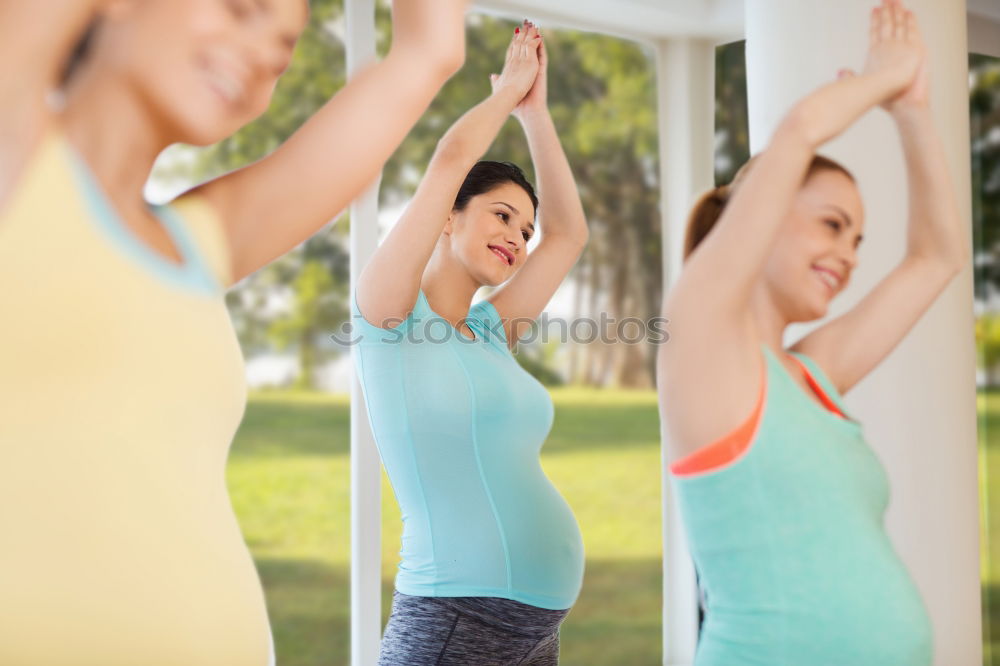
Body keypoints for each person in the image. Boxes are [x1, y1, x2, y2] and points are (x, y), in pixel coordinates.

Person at [0, 1, 466, 664]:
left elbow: (428, 52)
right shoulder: (13, 157)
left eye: (283, 48)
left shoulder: (198, 244)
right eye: (242, 9)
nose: (262, 55)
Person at [657, 1, 965, 663]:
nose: (849, 254)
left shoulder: (811, 373)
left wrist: (911, 110)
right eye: (831, 225)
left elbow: (936, 257)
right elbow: (797, 132)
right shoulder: (703, 339)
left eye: (856, 238)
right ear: (759, 215)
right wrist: (881, 77)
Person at [352, 21, 589, 665]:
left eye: (524, 230)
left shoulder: (488, 333)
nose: (519, 237)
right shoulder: (390, 316)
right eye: (502, 215)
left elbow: (568, 235)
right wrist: (506, 91)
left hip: (535, 622)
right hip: (456, 611)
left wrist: (535, 114)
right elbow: (451, 160)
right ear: (451, 214)